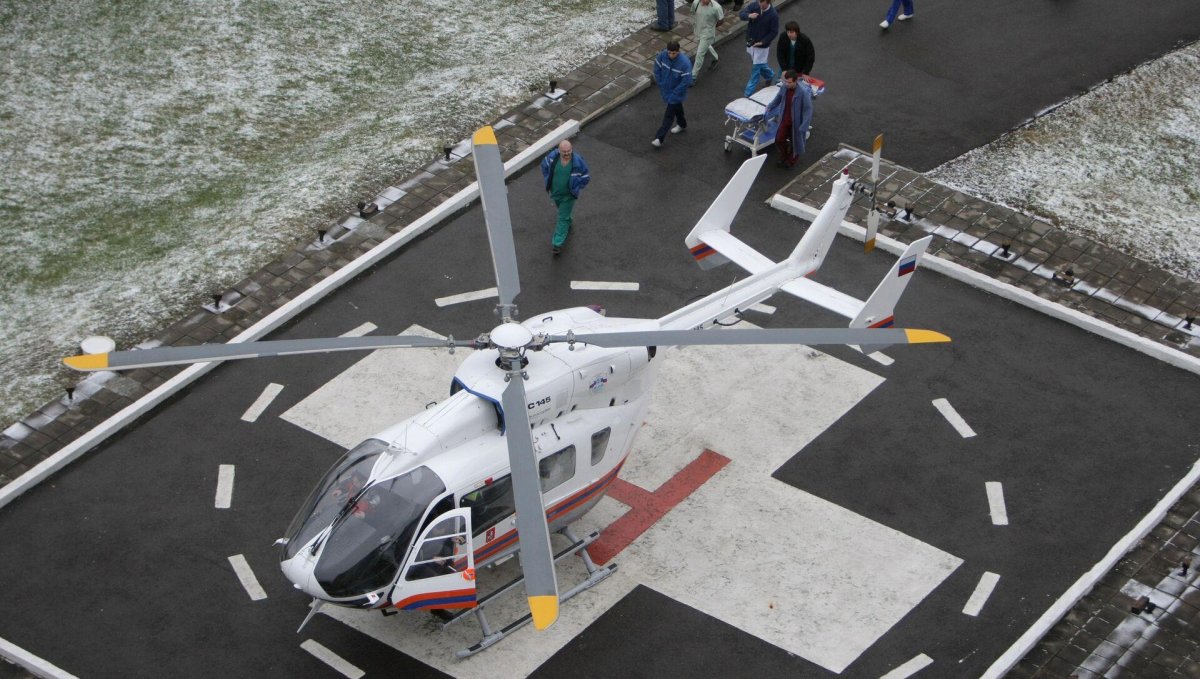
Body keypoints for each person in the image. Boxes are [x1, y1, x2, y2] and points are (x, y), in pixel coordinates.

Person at [539, 140, 591, 255]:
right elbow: (544, 166)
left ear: (571, 149)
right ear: (559, 150)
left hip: (568, 197)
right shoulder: (552, 157)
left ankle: (557, 244)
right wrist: (548, 179)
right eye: (564, 151)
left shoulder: (578, 161)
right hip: (556, 194)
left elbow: (586, 177)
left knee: (561, 218)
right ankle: (568, 220)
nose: (567, 153)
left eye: (569, 151)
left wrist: (577, 187)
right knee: (564, 215)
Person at [764, 70, 812, 168]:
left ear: (795, 81)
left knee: (795, 143)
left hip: (796, 123)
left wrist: (804, 126)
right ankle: (784, 155)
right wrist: (770, 106)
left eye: (789, 82)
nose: (787, 84)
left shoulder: (802, 92)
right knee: (779, 139)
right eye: (786, 82)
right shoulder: (784, 87)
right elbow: (778, 98)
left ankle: (791, 160)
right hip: (785, 119)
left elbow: (808, 110)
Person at [651, 40, 692, 148]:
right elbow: (657, 68)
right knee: (677, 108)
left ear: (678, 51)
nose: (671, 55)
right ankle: (682, 124)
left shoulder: (685, 63)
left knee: (669, 116)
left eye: (674, 53)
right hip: (666, 90)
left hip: (676, 93)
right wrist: (660, 82)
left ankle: (659, 138)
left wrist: (675, 93)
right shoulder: (662, 56)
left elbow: (686, 81)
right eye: (669, 52)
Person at [738, 0, 779, 97]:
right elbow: (741, 14)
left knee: (755, 70)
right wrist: (749, 15)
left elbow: (774, 32)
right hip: (751, 43)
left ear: (768, 2)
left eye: (762, 2)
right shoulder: (755, 5)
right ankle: (769, 75)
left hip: (761, 47)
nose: (759, 4)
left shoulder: (773, 15)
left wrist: (762, 42)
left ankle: (747, 94)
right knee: (758, 64)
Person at [690, 0, 724, 83]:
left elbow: (721, 20)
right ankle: (716, 58)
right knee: (705, 46)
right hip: (698, 31)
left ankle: (693, 77)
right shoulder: (695, 3)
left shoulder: (716, 7)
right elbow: (693, 13)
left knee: (699, 54)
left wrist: (712, 27)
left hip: (707, 34)